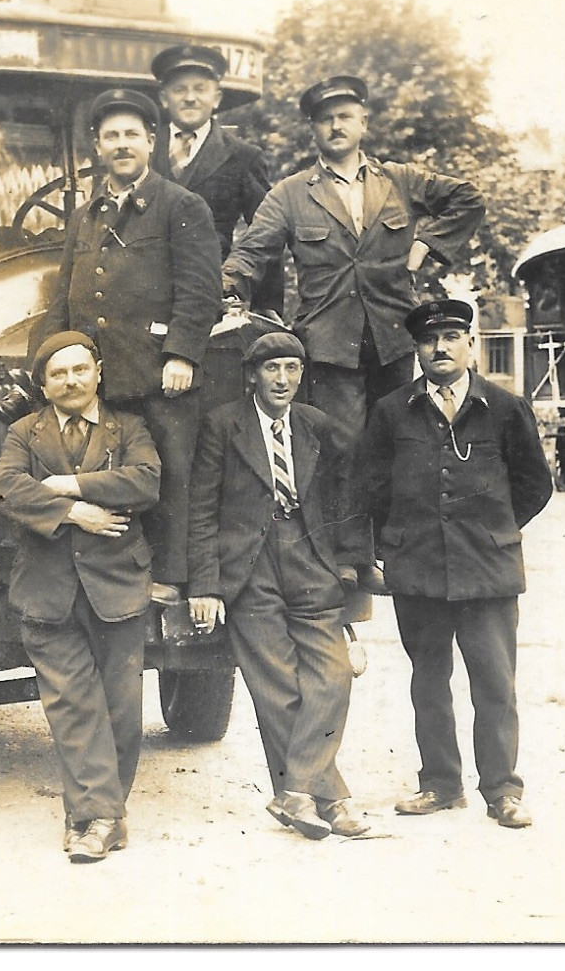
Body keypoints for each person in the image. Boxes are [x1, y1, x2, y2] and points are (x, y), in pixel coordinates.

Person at [356, 298, 552, 828]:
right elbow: (370, 487)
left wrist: (495, 531)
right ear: (416, 349)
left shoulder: (506, 408)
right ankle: (441, 785)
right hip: (417, 569)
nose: (439, 348)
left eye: (450, 338)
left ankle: (503, 791)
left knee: (494, 683)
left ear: (471, 344)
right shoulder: (392, 410)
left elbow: (536, 483)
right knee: (428, 680)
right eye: (427, 340)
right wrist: (391, 544)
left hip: (488, 572)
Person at [30, 87, 220, 612]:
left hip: (160, 373)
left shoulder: (183, 206)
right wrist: (47, 359)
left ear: (151, 141)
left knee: (170, 470)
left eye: (131, 134)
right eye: (111, 136)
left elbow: (200, 290)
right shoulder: (88, 215)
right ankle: (108, 577)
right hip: (99, 378)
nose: (121, 144)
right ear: (97, 146)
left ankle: (173, 577)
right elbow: (66, 295)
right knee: (107, 473)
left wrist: (182, 354)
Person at [223, 75, 485, 428]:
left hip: (393, 338)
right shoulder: (291, 194)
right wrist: (223, 289)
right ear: (313, 129)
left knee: (399, 443)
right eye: (325, 119)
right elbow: (251, 252)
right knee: (340, 452)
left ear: (363, 122)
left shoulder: (398, 180)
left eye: (344, 116)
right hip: (329, 348)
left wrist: (426, 244)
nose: (335, 126)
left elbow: (468, 199)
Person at [187, 332, 368, 840]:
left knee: (334, 675)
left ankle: (297, 792)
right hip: (249, 565)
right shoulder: (224, 425)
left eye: (291, 368)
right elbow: (200, 508)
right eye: (272, 369)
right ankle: (330, 799)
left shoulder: (315, 426)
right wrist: (206, 584)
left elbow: (347, 495)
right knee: (278, 688)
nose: (282, 379)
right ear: (252, 375)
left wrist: (348, 564)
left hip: (309, 558)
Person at [0, 332, 161, 863]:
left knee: (121, 709)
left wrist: (67, 486)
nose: (71, 381)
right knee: (73, 707)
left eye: (80, 370)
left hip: (117, 587)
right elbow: (3, 488)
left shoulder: (128, 427)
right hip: (48, 590)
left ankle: (93, 812)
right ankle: (98, 819)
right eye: (58, 374)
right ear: (42, 384)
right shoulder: (22, 431)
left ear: (98, 372)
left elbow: (146, 481)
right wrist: (74, 513)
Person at [148, 43, 280, 316]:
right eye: (179, 89)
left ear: (216, 97)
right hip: (147, 294)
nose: (190, 98)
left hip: (210, 296)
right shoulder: (144, 149)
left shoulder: (244, 156)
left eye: (200, 89)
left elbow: (267, 235)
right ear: (164, 98)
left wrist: (267, 309)